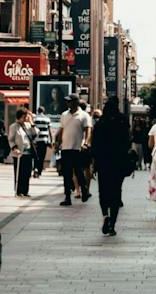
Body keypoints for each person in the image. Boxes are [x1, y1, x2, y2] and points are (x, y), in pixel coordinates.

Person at [92, 100, 133, 235]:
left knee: (103, 191)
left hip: (103, 162)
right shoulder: (122, 121)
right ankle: (113, 224)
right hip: (118, 162)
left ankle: (105, 216)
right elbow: (128, 140)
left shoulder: (100, 124)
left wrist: (94, 163)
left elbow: (95, 145)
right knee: (116, 192)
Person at [56, 97, 91, 205]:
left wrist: (85, 142)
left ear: (76, 102)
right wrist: (57, 141)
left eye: (69, 101)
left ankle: (84, 190)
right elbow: (61, 129)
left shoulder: (84, 115)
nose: (67, 103)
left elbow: (88, 130)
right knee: (66, 173)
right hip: (65, 148)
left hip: (77, 148)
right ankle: (67, 197)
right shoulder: (64, 114)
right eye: (67, 101)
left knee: (78, 171)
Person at [8, 107, 33, 198]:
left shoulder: (28, 125)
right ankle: (19, 190)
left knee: (27, 172)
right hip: (19, 153)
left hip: (28, 152)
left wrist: (32, 123)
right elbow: (10, 139)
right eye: (25, 116)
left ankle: (25, 190)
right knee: (19, 172)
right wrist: (15, 148)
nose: (26, 118)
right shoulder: (13, 126)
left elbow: (35, 133)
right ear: (20, 116)